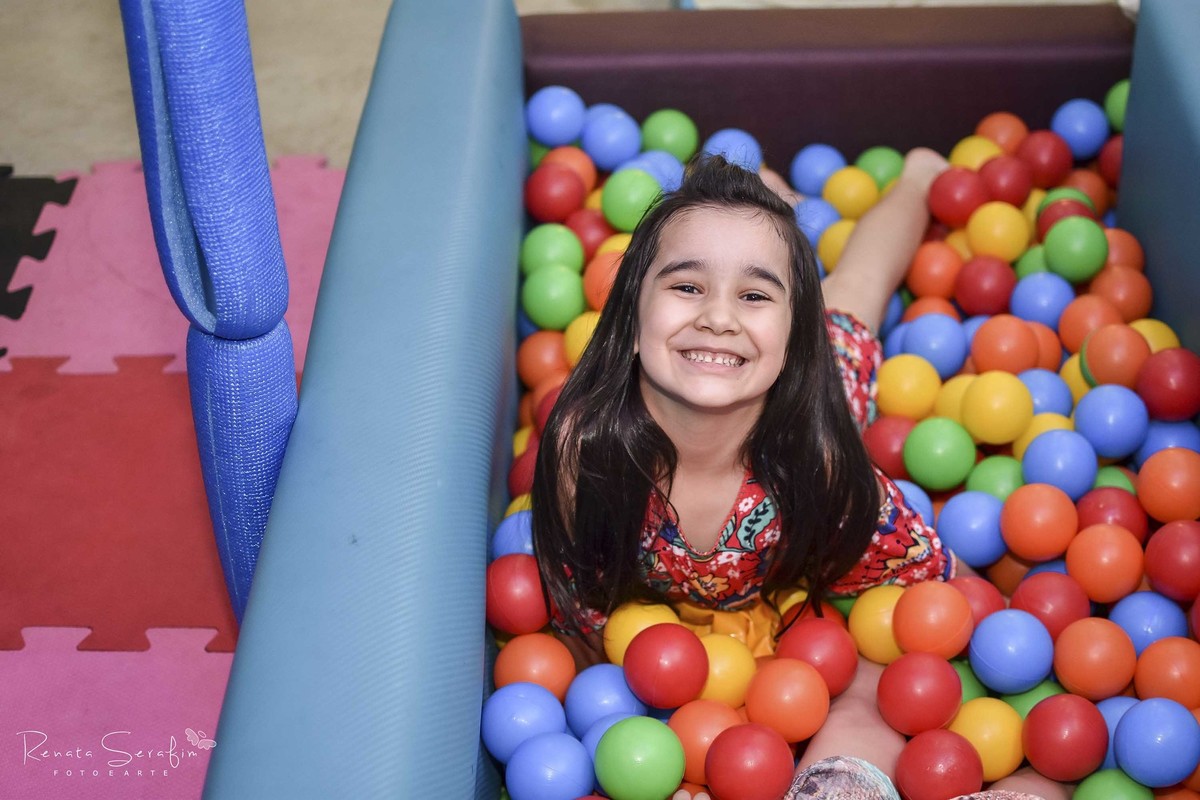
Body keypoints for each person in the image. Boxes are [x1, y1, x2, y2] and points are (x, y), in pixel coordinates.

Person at [531, 151, 1066, 800]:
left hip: (815, 409)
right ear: (630, 321)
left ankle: (917, 178)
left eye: (755, 295)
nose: (718, 317)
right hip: (712, 635)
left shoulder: (818, 468)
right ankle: (774, 207)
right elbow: (580, 599)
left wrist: (1009, 638)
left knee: (856, 292)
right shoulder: (586, 452)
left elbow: (925, 570)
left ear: (791, 343)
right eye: (687, 287)